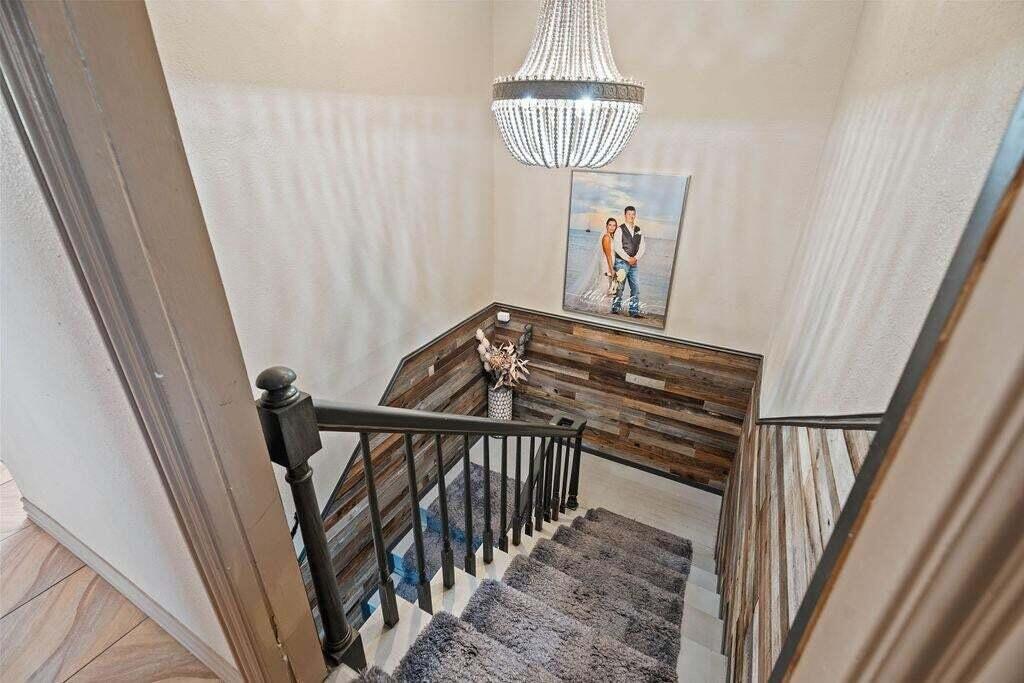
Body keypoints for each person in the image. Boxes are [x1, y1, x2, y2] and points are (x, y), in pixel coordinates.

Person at [611, 205, 645, 318]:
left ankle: (634, 312)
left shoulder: (638, 230)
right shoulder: (620, 229)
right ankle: (615, 309)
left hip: (634, 263)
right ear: (625, 215)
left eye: (633, 214)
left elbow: (642, 247)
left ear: (635, 215)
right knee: (620, 288)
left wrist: (635, 258)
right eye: (629, 214)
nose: (631, 216)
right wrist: (628, 258)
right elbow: (617, 247)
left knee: (636, 288)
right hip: (621, 262)